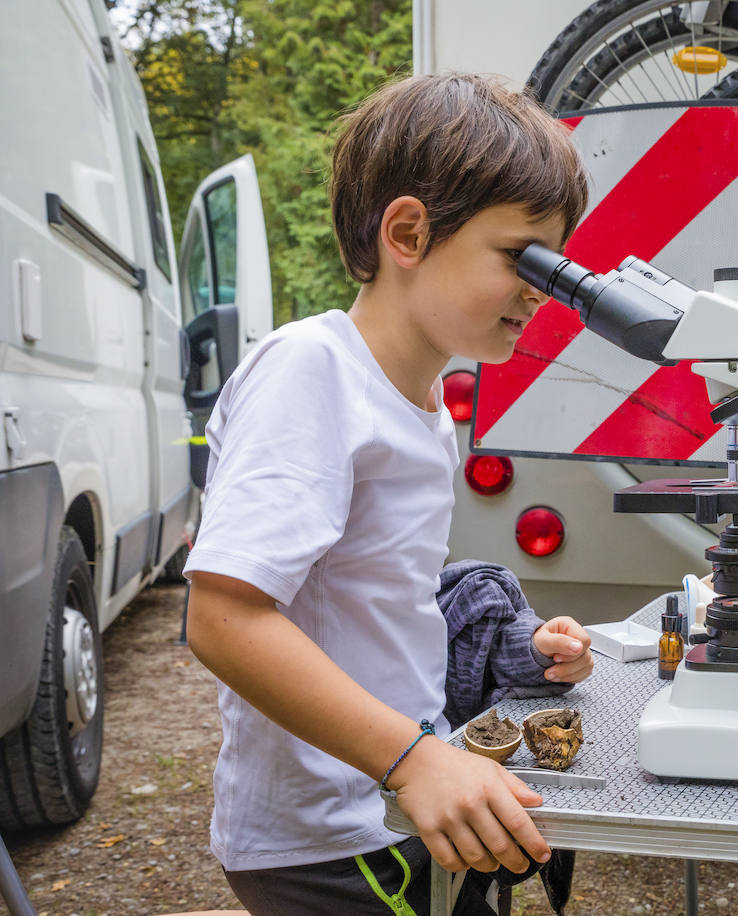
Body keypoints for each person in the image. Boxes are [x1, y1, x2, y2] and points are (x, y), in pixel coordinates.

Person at [183, 72, 592, 913]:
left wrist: (515, 647)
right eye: (523, 257)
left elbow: (369, 601)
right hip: (333, 836)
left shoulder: (421, 404)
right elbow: (224, 618)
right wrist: (415, 759)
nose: (540, 290)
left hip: (388, 801)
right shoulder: (313, 372)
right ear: (407, 232)